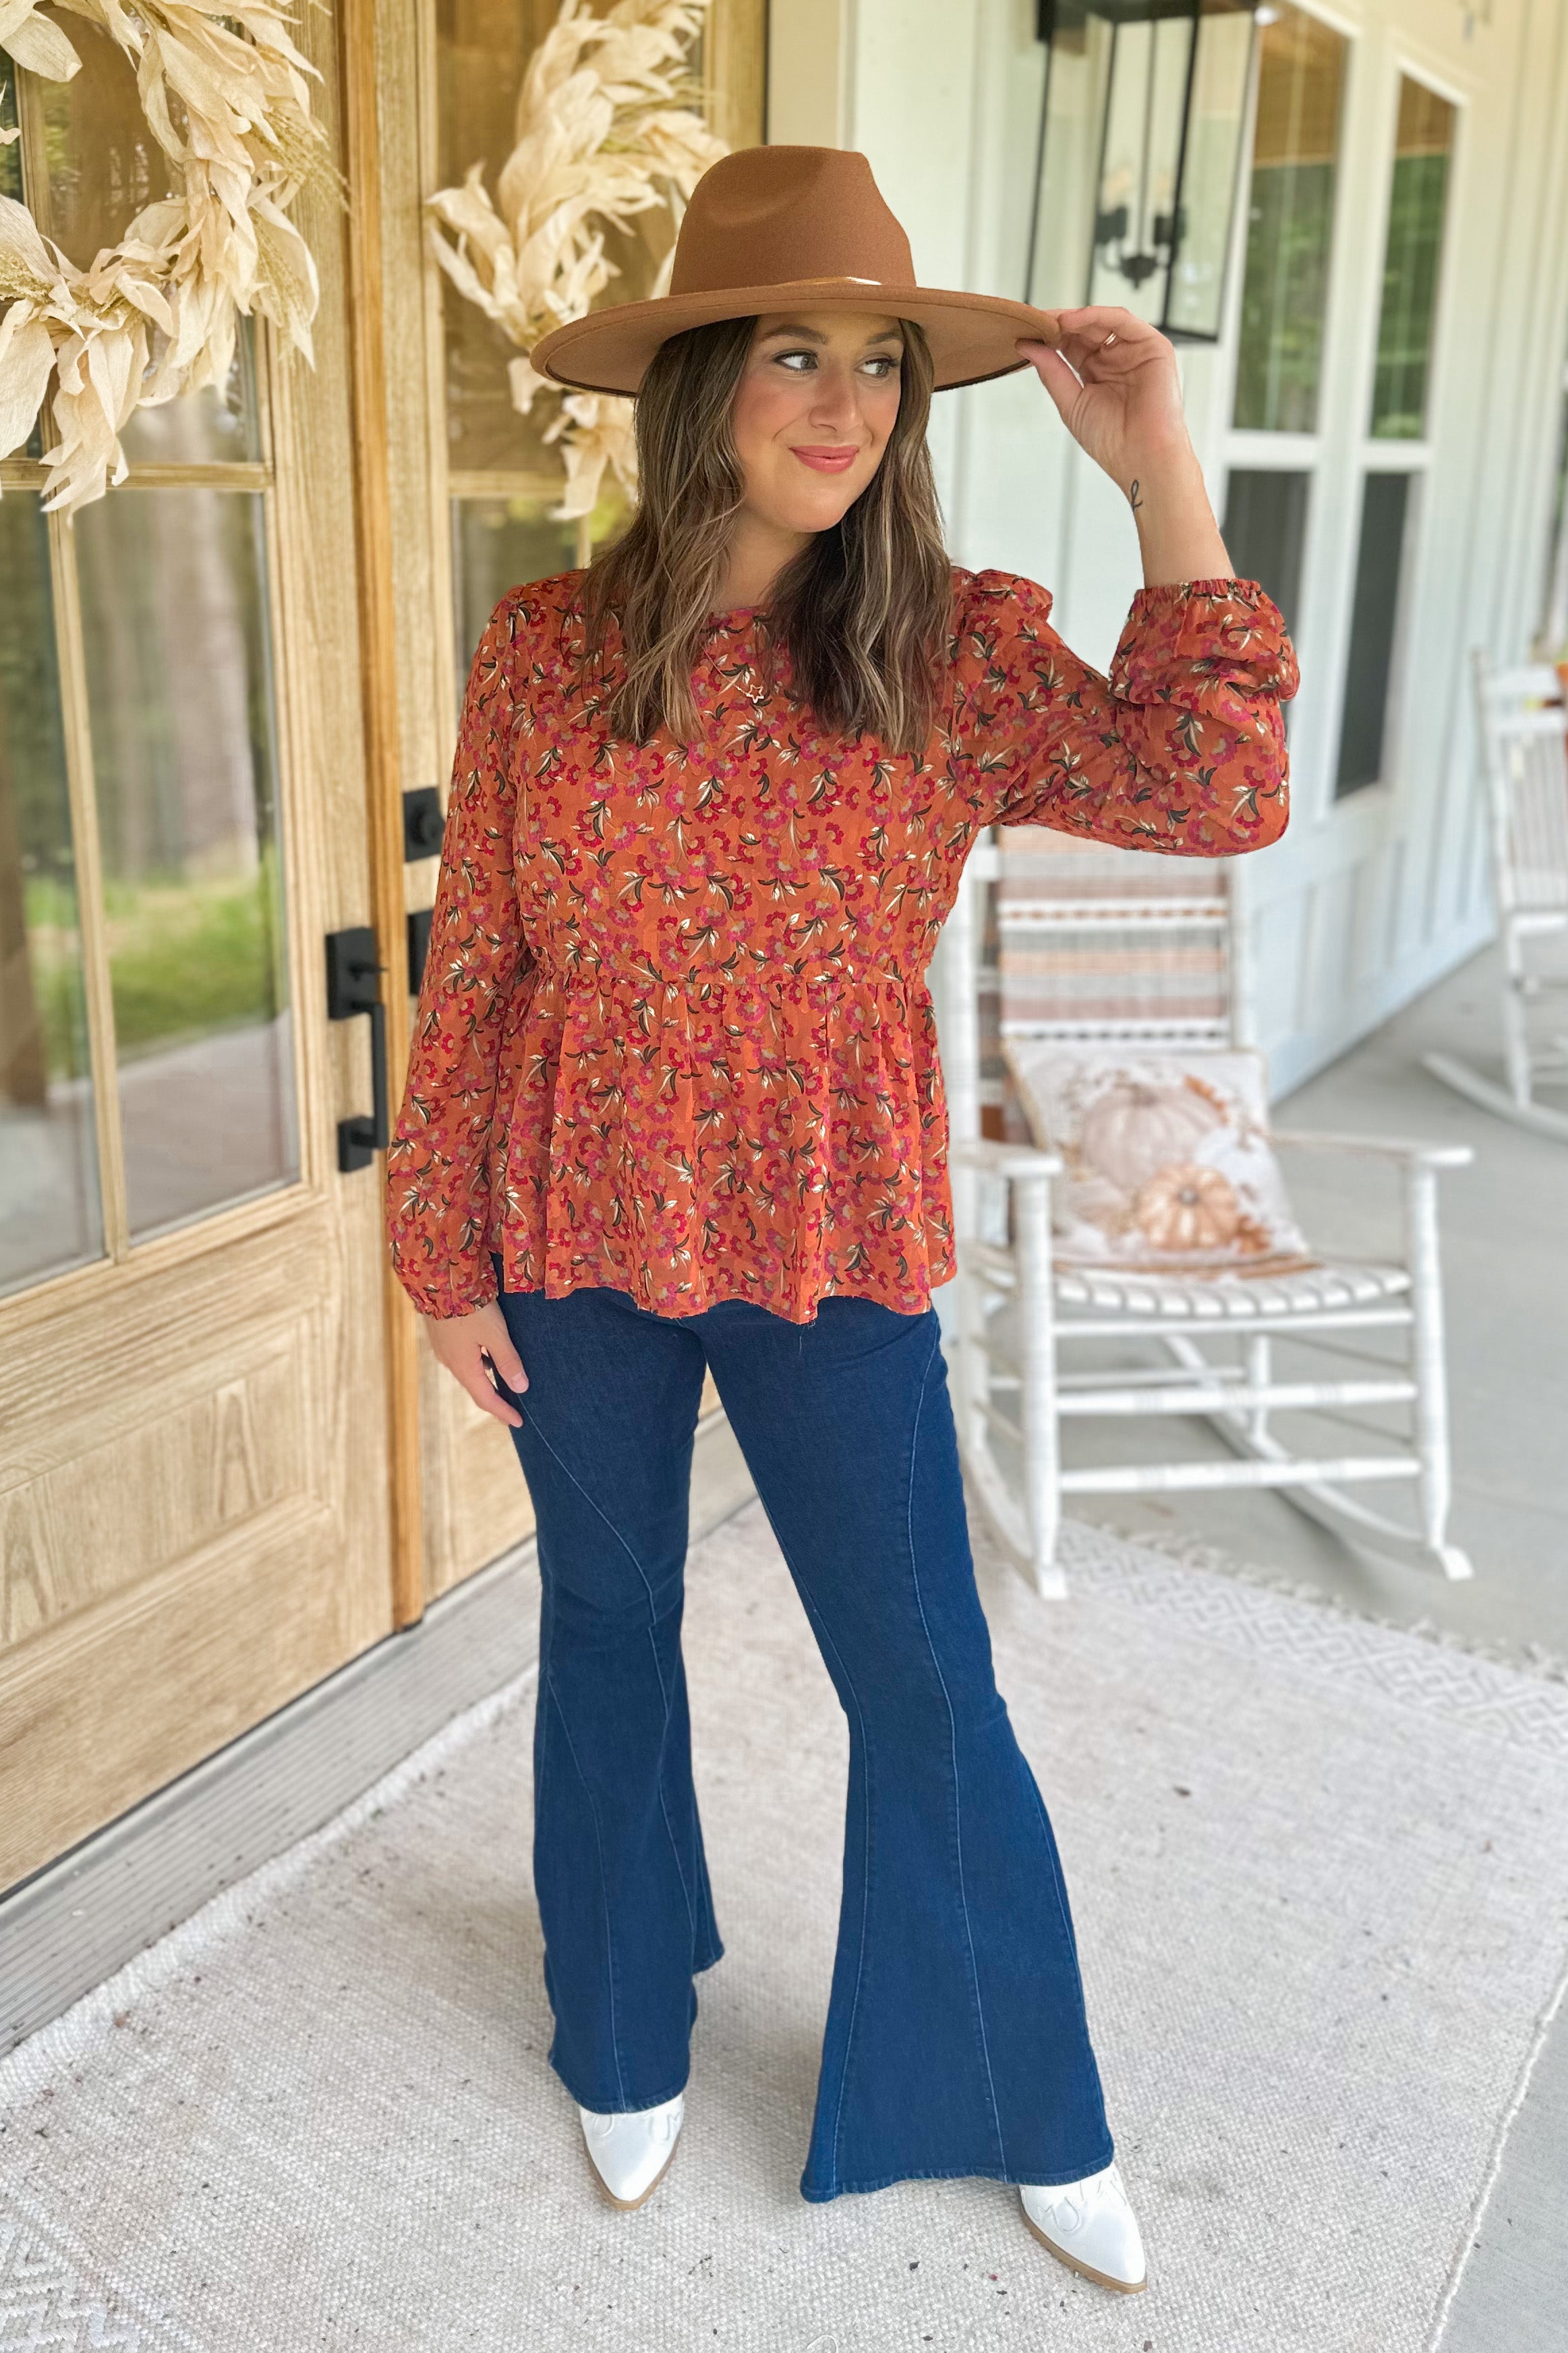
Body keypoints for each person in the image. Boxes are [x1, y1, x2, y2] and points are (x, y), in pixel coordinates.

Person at [386, 145, 1295, 2296]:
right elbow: (480, 960)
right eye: (795, 353)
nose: (846, 404)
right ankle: (621, 2022)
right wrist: (436, 1254)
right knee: (608, 1629)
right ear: (700, 382)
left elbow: (1218, 787)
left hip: (835, 1227)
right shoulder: (543, 651)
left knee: (924, 1677)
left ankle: (1018, 2093)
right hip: (569, 1221)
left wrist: (1158, 467)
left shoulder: (947, 650)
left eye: (881, 364)